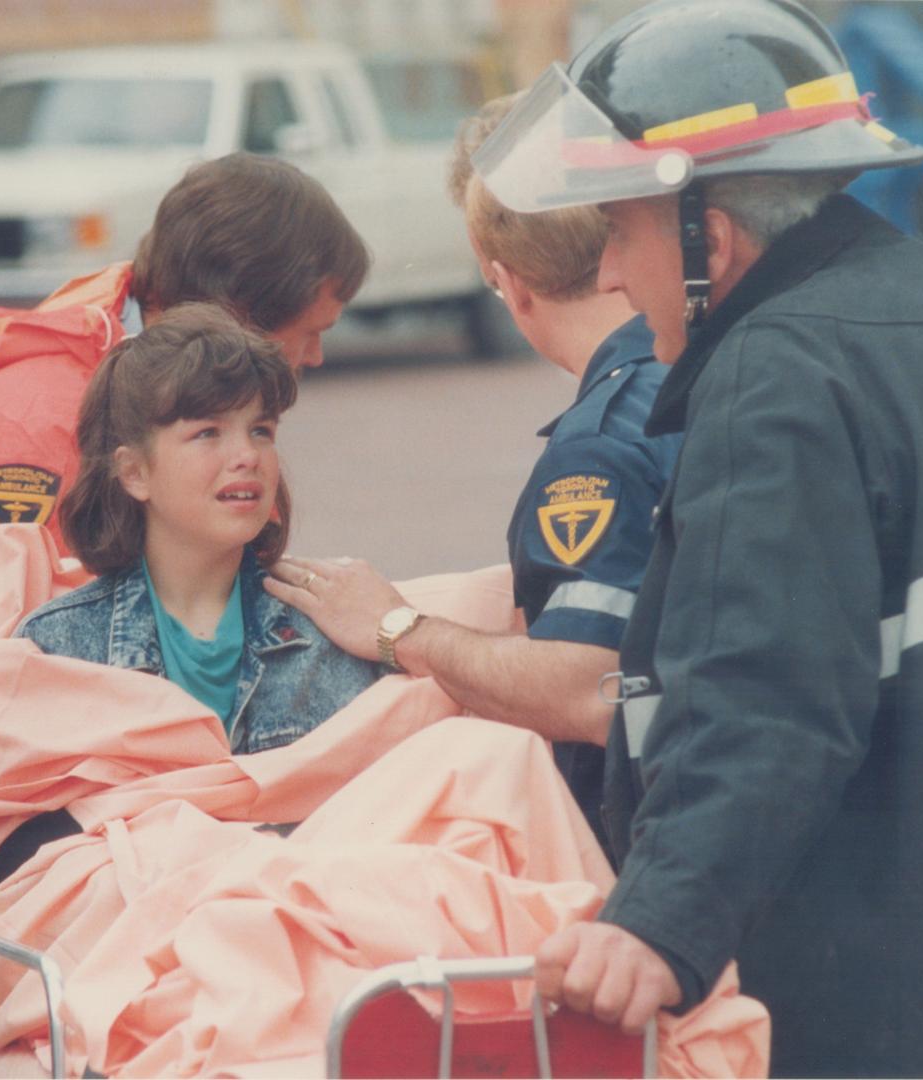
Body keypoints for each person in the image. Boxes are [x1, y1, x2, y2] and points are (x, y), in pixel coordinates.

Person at [470, 0, 923, 1074]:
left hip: (888, 1008)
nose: (605, 273)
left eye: (615, 229)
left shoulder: (777, 379)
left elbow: (762, 697)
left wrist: (657, 923)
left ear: (711, 233)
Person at [264, 94, 679, 859]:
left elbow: (590, 689)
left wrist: (399, 629)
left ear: (507, 280)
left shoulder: (600, 445)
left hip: (653, 837)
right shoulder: (697, 369)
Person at [0, 153, 368, 570]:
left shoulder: (183, 401)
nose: (315, 357)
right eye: (310, 332)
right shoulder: (40, 426)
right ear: (239, 313)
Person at [15, 305, 381, 753]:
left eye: (261, 430)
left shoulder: (327, 633)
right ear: (134, 473)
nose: (247, 455)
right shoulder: (57, 646)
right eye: (208, 432)